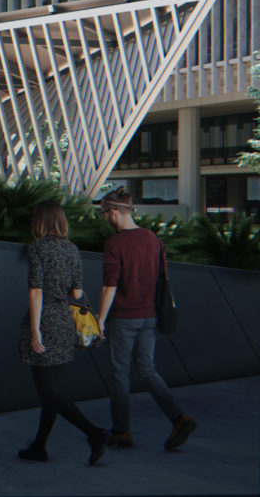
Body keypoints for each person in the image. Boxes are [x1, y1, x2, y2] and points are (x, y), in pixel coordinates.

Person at [98, 187, 195, 451]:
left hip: (124, 318)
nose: (104, 218)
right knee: (147, 369)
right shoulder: (153, 239)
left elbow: (110, 287)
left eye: (104, 213)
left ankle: (122, 432)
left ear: (115, 211)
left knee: (119, 374)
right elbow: (162, 279)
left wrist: (100, 320)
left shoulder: (115, 244)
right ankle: (179, 417)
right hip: (151, 315)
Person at [18, 199, 108, 463]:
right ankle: (39, 447)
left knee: (48, 392)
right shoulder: (72, 249)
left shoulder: (37, 249)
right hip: (65, 321)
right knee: (51, 390)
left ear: (40, 221)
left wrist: (35, 331)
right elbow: (77, 293)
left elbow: (36, 291)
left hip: (45, 320)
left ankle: (93, 432)